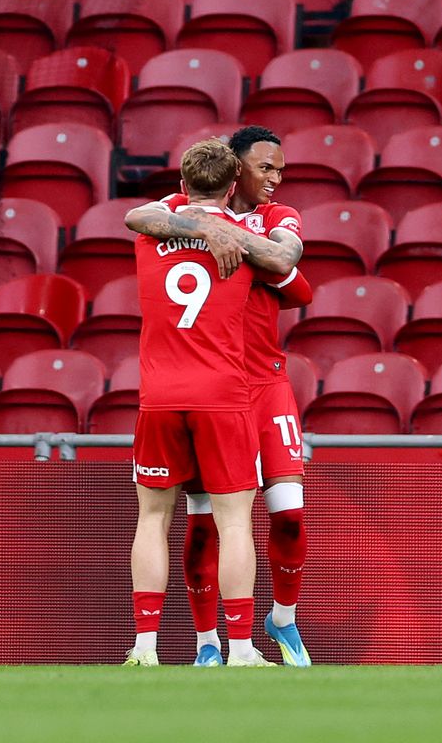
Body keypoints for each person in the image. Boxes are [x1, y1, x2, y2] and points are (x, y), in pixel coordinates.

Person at [127, 126, 312, 667]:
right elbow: (138, 214)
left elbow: (294, 273)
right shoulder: (180, 209)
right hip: (221, 387)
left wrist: (224, 235)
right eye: (266, 168)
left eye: (281, 169)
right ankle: (215, 644)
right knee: (210, 520)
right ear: (236, 174)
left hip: (259, 384)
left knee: (287, 513)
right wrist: (211, 230)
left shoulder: (278, 220)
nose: (275, 179)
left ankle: (281, 619)